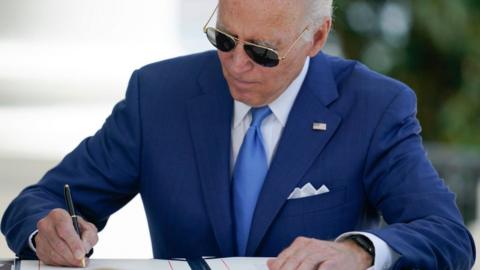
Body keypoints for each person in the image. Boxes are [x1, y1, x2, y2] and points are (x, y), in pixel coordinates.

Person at [1, 0, 475, 269]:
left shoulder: (373, 106)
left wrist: (361, 252)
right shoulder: (158, 95)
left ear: (316, 37)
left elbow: (449, 237)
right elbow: (39, 200)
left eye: (264, 52)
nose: (237, 64)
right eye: (224, 40)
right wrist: (49, 230)